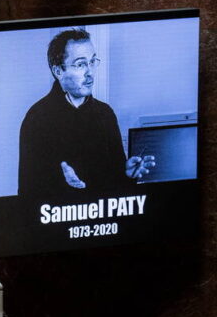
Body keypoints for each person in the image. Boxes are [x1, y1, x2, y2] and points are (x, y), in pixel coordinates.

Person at [18, 29, 155, 199]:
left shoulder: (105, 114)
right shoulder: (37, 119)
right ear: (58, 71)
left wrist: (126, 174)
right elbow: (29, 193)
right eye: (81, 64)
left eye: (92, 62)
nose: (90, 73)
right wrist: (62, 182)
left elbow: (117, 188)